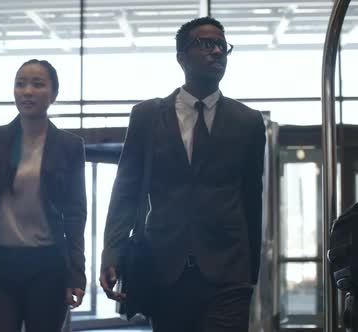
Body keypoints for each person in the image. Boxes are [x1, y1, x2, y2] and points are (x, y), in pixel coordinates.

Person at [99, 16, 266, 332]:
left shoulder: (248, 121)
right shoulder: (147, 116)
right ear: (181, 58)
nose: (216, 51)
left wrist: (250, 271)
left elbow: (250, 199)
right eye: (204, 43)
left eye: (221, 45)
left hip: (228, 273)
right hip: (165, 269)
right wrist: (113, 250)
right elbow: (126, 190)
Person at [0, 59, 87, 332]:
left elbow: (75, 214)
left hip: (48, 265)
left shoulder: (70, 146)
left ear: (54, 94)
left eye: (38, 84)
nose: (27, 91)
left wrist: (76, 274)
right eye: (20, 84)